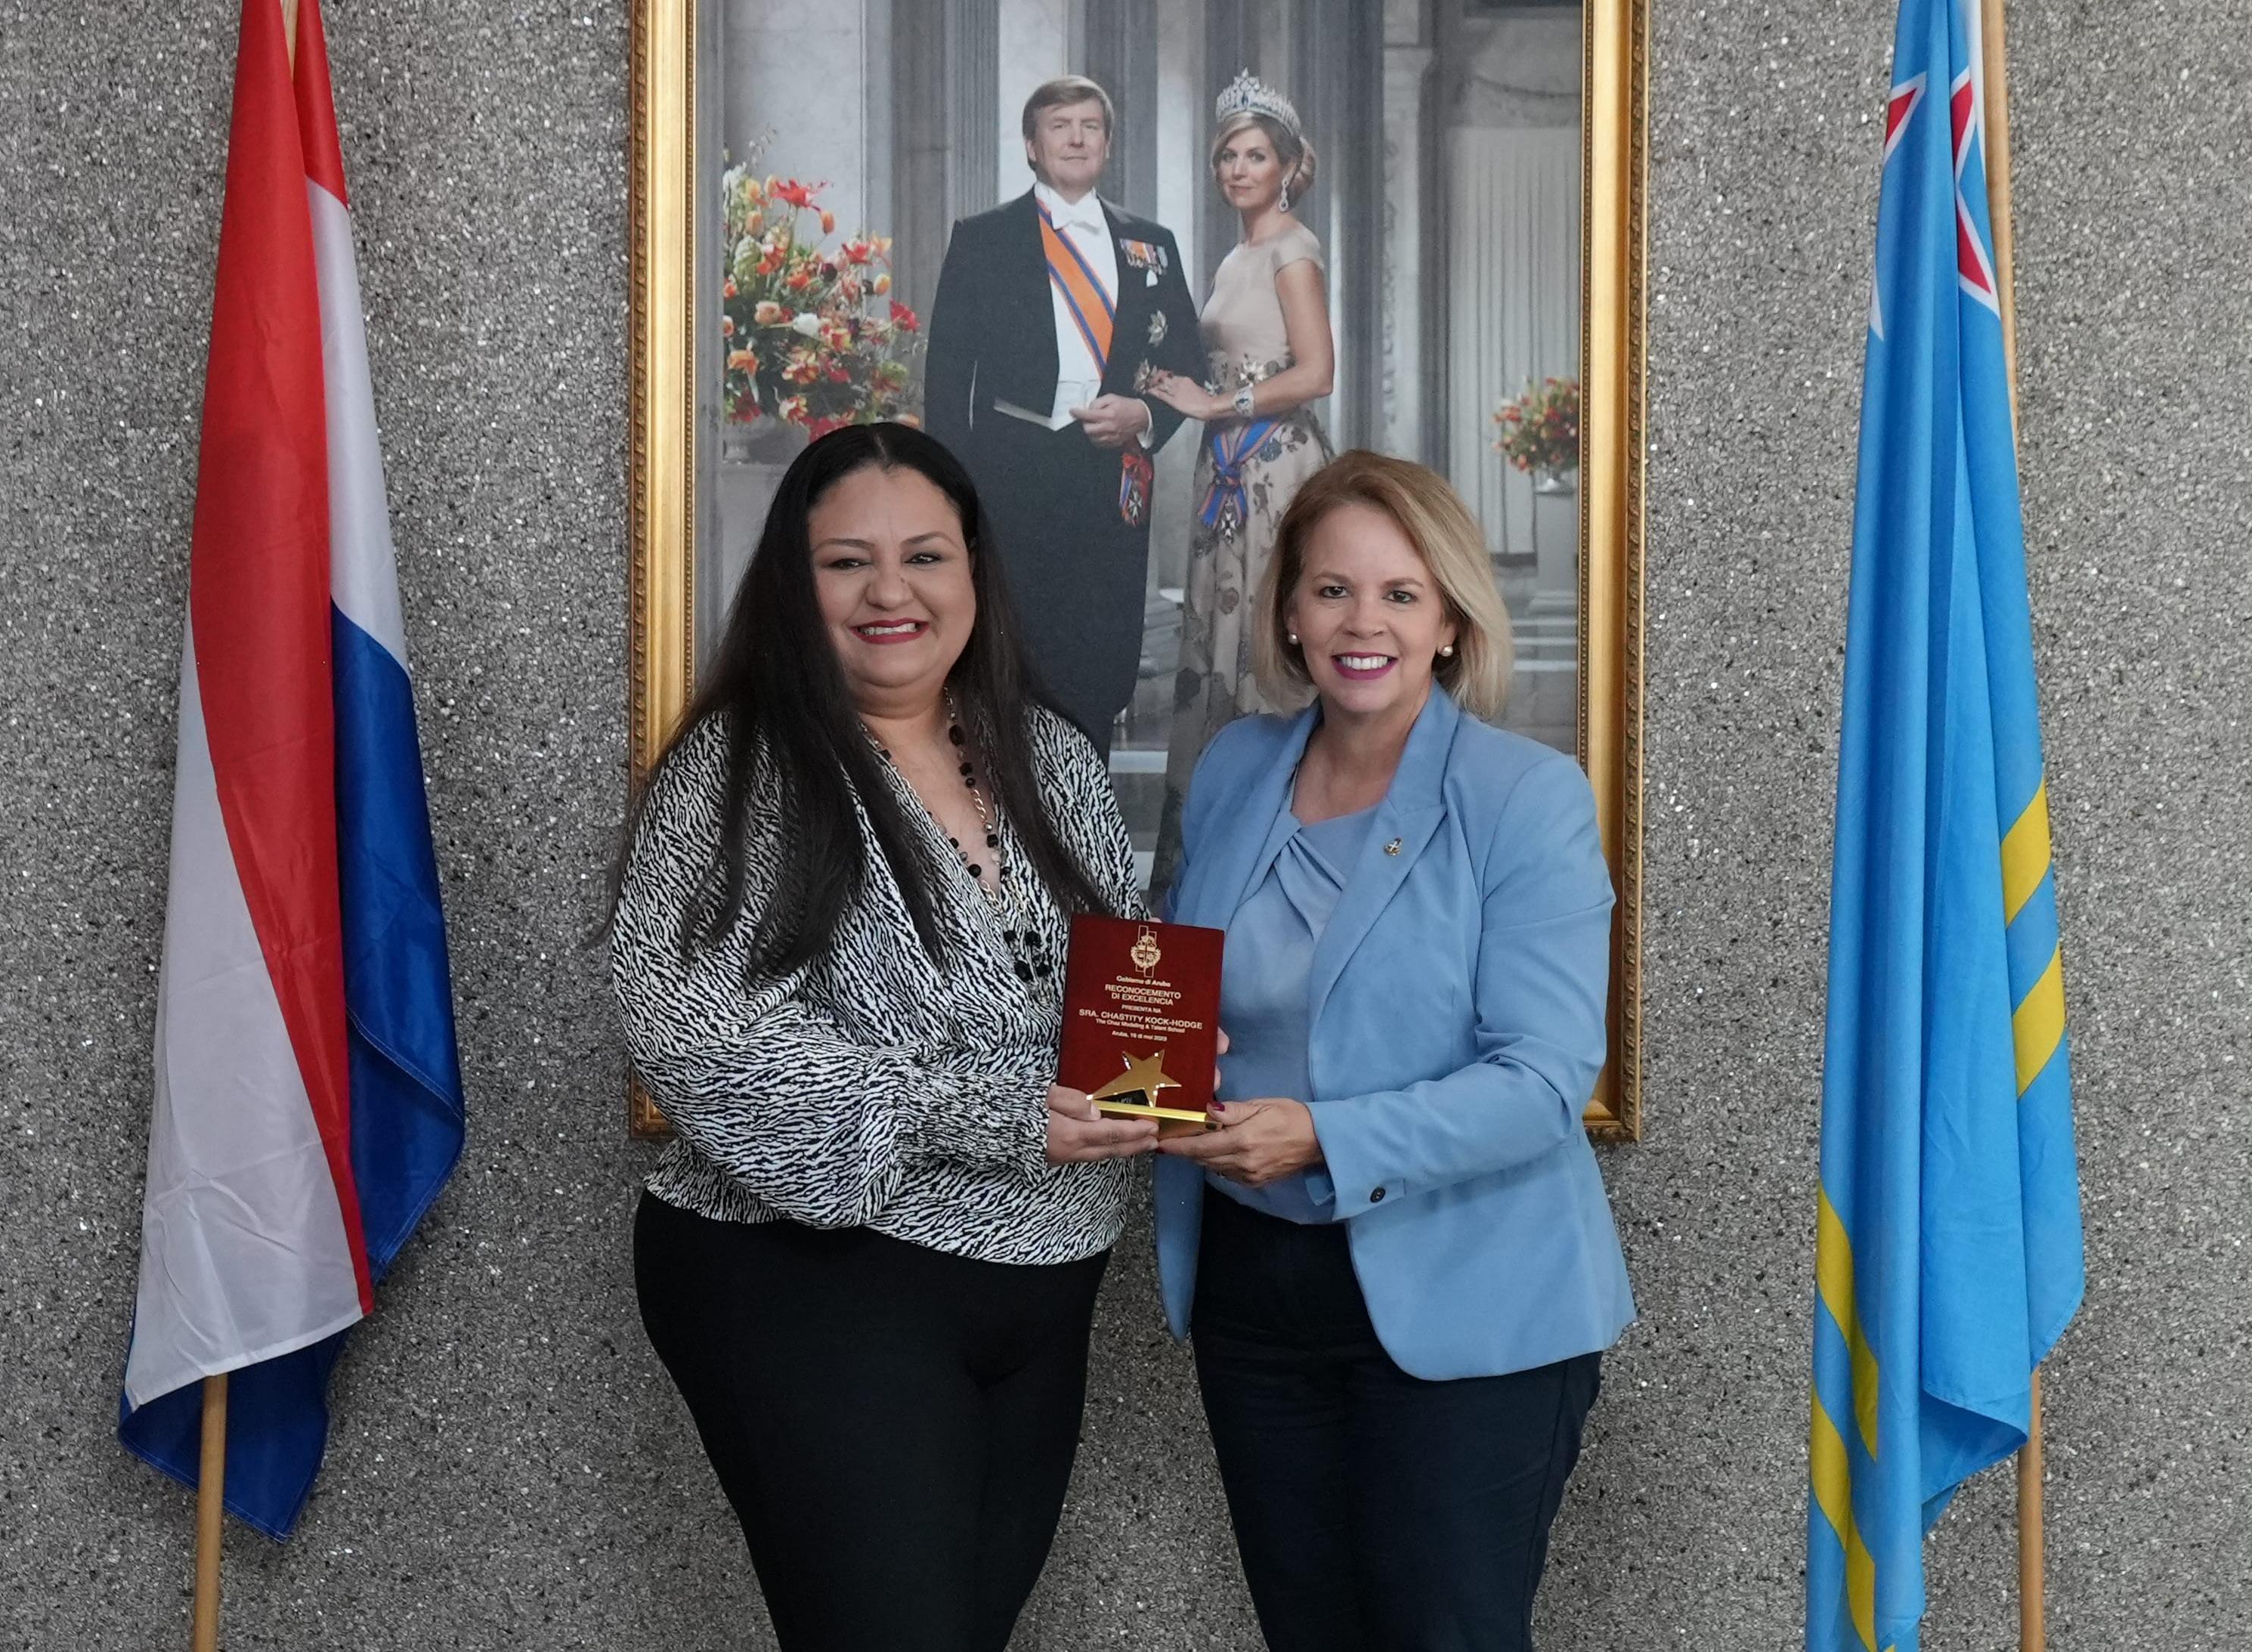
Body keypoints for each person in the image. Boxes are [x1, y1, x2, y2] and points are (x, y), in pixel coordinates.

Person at [611, 422, 1162, 1652]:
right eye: (846, 561)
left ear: (975, 571)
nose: (890, 592)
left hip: (1048, 1270)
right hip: (814, 1277)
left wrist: (1173, 1069)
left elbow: (1122, 974)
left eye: (924, 556)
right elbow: (686, 1022)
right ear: (793, 583)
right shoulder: (741, 768)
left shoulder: (1050, 754)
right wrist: (986, 1110)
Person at [1154, 451, 1633, 1652]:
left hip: (1467, 1294)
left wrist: (1324, 1135)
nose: (1361, 623)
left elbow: (1541, 1080)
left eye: (1400, 594)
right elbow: (1184, 982)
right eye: (1332, 590)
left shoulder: (1526, 796)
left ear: (1451, 621)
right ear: (1288, 614)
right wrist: (1166, 1066)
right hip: (1254, 1293)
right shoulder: (1234, 768)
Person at [923, 74, 1208, 751]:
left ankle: (1087, 799)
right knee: (1006, 659)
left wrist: (1144, 416)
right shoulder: (983, 237)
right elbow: (947, 378)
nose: (1076, 139)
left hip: (1109, 473)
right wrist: (952, 495)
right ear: (1032, 145)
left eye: (1090, 127)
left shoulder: (1152, 244)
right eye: (1060, 126)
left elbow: (1190, 363)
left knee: (1098, 661)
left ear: (1107, 144)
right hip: (1009, 472)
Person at [1141, 70, 1336, 883]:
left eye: (1254, 155)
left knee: (1266, 644)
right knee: (1216, 646)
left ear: (1286, 166)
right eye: (1227, 155)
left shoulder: (1293, 249)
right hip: (1221, 470)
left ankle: (1275, 856)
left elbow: (1317, 373)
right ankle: (1212, 863)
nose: (1237, 169)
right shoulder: (1234, 256)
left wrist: (1222, 403)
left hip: (1274, 469)